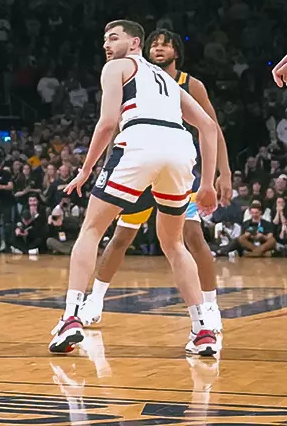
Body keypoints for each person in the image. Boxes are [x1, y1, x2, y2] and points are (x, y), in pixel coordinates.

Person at [49, 20, 219, 357]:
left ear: (135, 42)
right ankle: (203, 330)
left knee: (92, 229)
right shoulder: (170, 83)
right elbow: (209, 127)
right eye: (104, 40)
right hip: (180, 148)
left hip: (140, 140)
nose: (107, 45)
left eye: (114, 37)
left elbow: (108, 122)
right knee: (173, 243)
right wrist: (208, 182)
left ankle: (70, 318)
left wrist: (85, 170)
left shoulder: (117, 67)